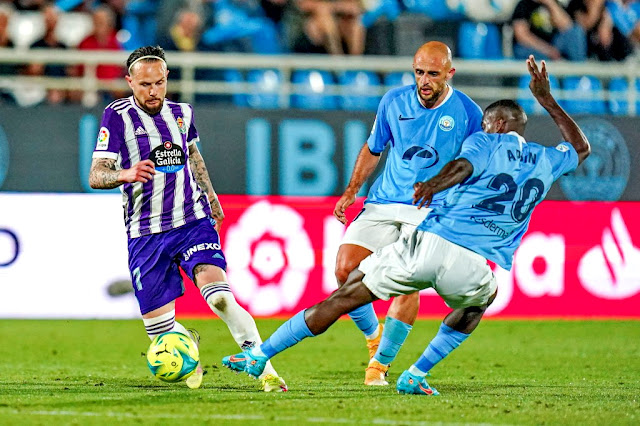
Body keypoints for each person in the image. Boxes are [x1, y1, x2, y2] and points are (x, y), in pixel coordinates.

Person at [222, 55, 590, 395]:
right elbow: (581, 147)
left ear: (492, 124)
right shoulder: (546, 160)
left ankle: (260, 355)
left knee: (344, 297)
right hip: (472, 265)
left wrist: (434, 184)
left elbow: (464, 166)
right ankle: (416, 373)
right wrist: (547, 99)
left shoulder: (484, 139)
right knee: (481, 301)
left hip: (429, 240)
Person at [88, 45, 287, 392]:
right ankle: (189, 349)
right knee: (160, 332)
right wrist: (126, 173)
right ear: (129, 82)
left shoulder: (182, 113)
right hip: (145, 233)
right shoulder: (116, 116)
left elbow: (193, 156)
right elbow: (96, 174)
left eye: (160, 83)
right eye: (144, 84)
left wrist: (211, 198)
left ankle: (265, 368)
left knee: (221, 297)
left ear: (167, 80)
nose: (153, 92)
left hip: (191, 221)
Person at [332, 41, 483, 386]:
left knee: (405, 283)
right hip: (384, 202)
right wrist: (351, 190)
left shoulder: (469, 113)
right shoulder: (393, 101)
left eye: (432, 73)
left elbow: (475, 165)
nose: (424, 81)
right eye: (419, 72)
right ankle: (374, 337)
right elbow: (373, 149)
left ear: (449, 73)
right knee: (344, 268)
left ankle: (379, 366)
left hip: (430, 208)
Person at [512, 0, 588, 61]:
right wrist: (548, 50)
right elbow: (521, 36)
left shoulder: (556, 4)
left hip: (555, 45)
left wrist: (550, 3)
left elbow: (568, 27)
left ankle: (579, 70)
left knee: (576, 31)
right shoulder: (523, 4)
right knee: (521, 50)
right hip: (535, 48)